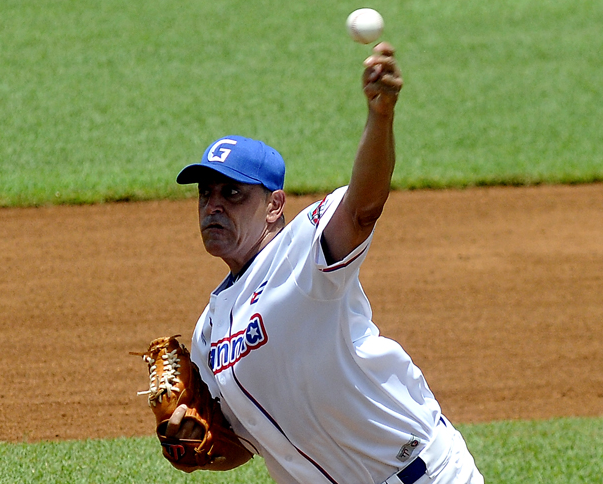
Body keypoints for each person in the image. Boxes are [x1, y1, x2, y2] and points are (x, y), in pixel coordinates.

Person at [166, 42, 484, 484]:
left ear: (274, 205)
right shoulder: (208, 332)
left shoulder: (303, 252)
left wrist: (381, 116)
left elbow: (361, 209)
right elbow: (243, 443)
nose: (213, 206)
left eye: (232, 193)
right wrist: (194, 442)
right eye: (206, 193)